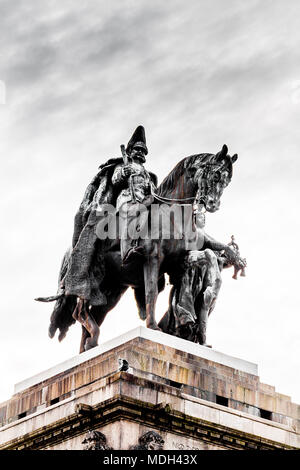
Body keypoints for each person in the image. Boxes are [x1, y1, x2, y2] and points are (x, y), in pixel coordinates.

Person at [111, 125, 156, 264]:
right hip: (127, 200)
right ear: (130, 151)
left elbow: (153, 189)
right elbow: (115, 179)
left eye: (143, 150)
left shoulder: (146, 173)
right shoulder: (123, 166)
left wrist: (151, 188)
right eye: (138, 149)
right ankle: (127, 251)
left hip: (143, 200)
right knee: (134, 213)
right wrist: (124, 172)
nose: (140, 152)